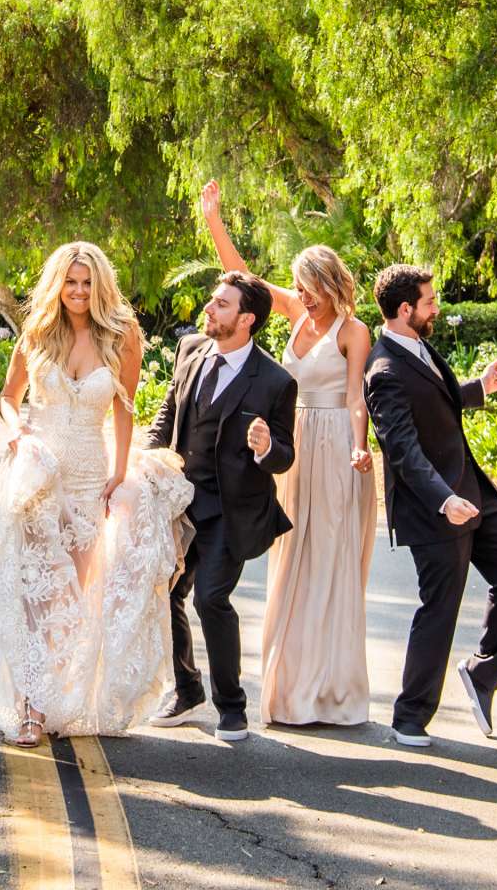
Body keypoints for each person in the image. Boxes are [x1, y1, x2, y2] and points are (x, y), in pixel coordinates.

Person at [0, 241, 191, 745]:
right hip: (37, 476)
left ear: (100, 286)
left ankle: (57, 699)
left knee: (70, 600)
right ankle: (30, 709)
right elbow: (9, 398)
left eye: (87, 282)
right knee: (35, 596)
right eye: (70, 282)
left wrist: (119, 475)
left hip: (90, 480)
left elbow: (125, 408)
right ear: (57, 284)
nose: (78, 291)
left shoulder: (123, 335)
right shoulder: (37, 332)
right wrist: (16, 432)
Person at [198, 181, 376, 727]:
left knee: (329, 563)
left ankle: (331, 691)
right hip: (291, 447)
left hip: (339, 450)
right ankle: (290, 688)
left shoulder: (354, 330)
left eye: (313, 287)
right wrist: (214, 219)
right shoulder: (295, 311)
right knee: (292, 562)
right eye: (301, 287)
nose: (306, 295)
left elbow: (354, 395)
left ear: (333, 284)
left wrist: (360, 448)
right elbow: (242, 277)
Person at [362, 263, 497, 747]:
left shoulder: (415, 345)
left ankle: (481, 673)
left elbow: (435, 400)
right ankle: (410, 716)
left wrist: (479, 389)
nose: (436, 307)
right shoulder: (383, 370)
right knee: (440, 606)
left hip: (472, 490)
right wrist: (443, 499)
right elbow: (402, 450)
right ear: (404, 309)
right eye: (430, 301)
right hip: (434, 503)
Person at [145, 270, 298, 742]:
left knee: (211, 597)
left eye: (221, 304)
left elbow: (284, 456)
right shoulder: (190, 350)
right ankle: (188, 690)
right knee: (165, 595)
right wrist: (150, 454)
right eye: (212, 302)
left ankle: (232, 706)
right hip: (177, 504)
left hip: (229, 512)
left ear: (247, 319)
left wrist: (264, 447)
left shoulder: (275, 382)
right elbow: (168, 412)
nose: (209, 309)